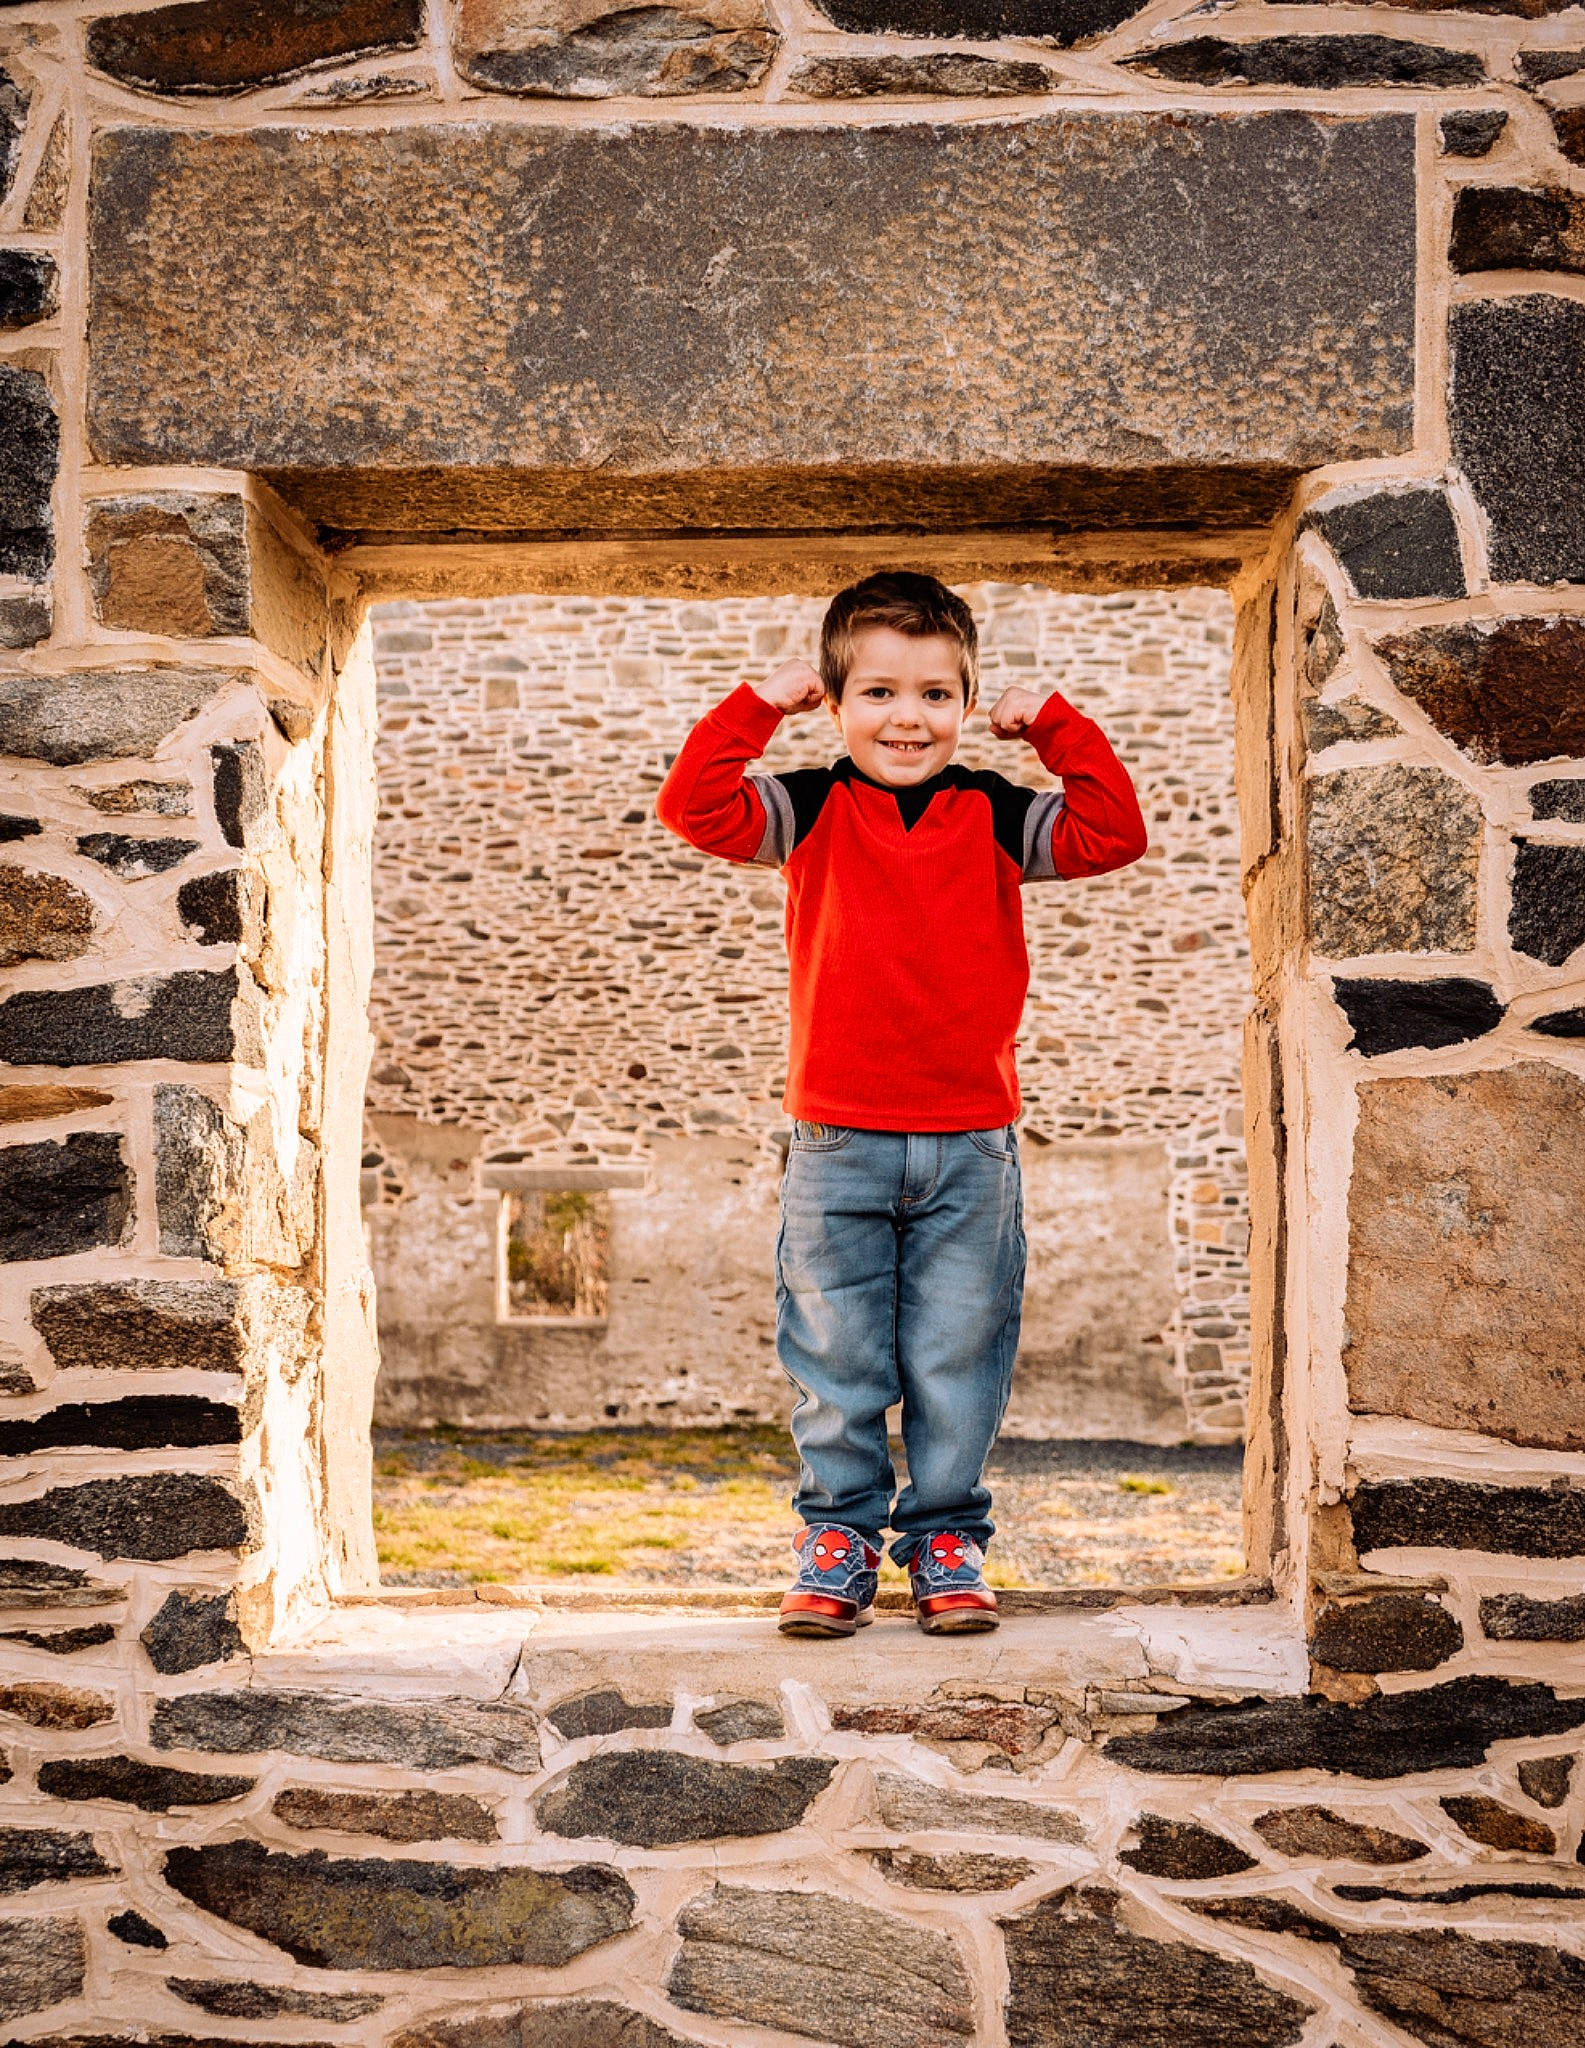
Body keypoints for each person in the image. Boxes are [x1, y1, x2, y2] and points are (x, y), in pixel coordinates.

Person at [656, 572, 1147, 1636]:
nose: (906, 717)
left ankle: (943, 1537)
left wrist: (1055, 729)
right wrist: (759, 705)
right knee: (835, 1352)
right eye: (876, 692)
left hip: (972, 1138)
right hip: (837, 1137)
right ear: (835, 705)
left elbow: (1112, 833)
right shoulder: (806, 805)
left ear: (965, 706)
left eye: (933, 693)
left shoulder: (996, 813)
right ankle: (836, 1536)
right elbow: (692, 805)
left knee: (956, 1349)